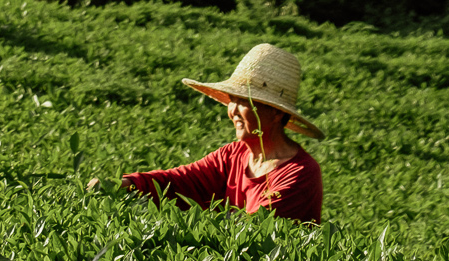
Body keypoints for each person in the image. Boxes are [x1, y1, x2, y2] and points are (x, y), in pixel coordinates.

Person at [109, 43, 324, 224]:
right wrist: (126, 184)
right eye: (232, 100)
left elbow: (255, 229)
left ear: (276, 112)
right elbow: (181, 182)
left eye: (244, 101)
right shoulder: (232, 155)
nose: (233, 110)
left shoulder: (300, 174)